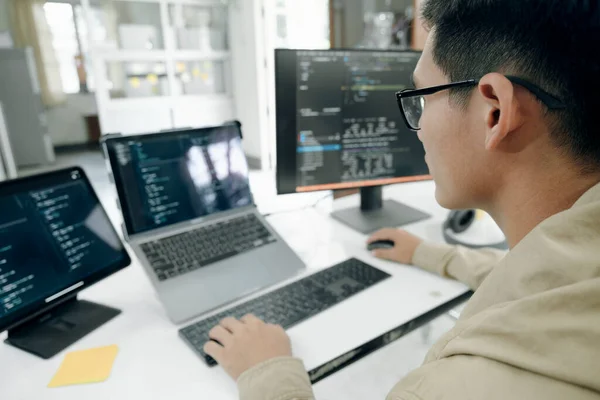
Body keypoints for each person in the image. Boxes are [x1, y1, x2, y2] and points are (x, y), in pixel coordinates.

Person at [203, 0, 600, 398]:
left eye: (423, 97)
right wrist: (435, 255)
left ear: (494, 112)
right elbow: (543, 277)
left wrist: (267, 370)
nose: (419, 127)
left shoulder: (458, 386)